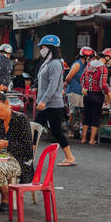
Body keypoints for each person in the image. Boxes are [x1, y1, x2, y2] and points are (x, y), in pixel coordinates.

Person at [35, 35, 77, 166]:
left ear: (50, 48)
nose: (41, 50)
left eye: (42, 47)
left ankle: (70, 157)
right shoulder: (47, 63)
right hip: (45, 104)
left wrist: (43, 100)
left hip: (52, 104)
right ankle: (28, 157)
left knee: (56, 132)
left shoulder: (55, 64)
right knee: (35, 130)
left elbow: (53, 85)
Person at [80, 48, 111, 145]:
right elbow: (102, 85)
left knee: (87, 116)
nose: (110, 63)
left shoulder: (89, 64)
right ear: (107, 57)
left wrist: (84, 88)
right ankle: (92, 140)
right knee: (95, 117)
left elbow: (82, 77)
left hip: (87, 94)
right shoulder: (103, 68)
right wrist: (109, 94)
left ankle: (83, 139)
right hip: (97, 95)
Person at [64, 46, 96, 138]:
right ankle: (71, 132)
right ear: (87, 57)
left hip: (80, 92)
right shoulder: (77, 65)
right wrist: (70, 84)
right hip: (73, 91)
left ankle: (77, 130)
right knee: (73, 112)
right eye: (90, 57)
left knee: (80, 113)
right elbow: (68, 78)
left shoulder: (85, 65)